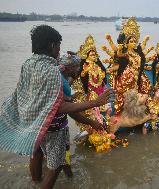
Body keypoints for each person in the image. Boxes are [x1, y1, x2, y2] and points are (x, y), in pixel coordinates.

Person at [0, 25, 112, 189]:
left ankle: (35, 182)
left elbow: (31, 92)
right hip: (52, 126)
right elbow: (59, 107)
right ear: (52, 45)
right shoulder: (52, 71)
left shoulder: (28, 64)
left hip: (33, 124)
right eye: (58, 45)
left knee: (36, 154)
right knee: (57, 164)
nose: (60, 50)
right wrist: (95, 102)